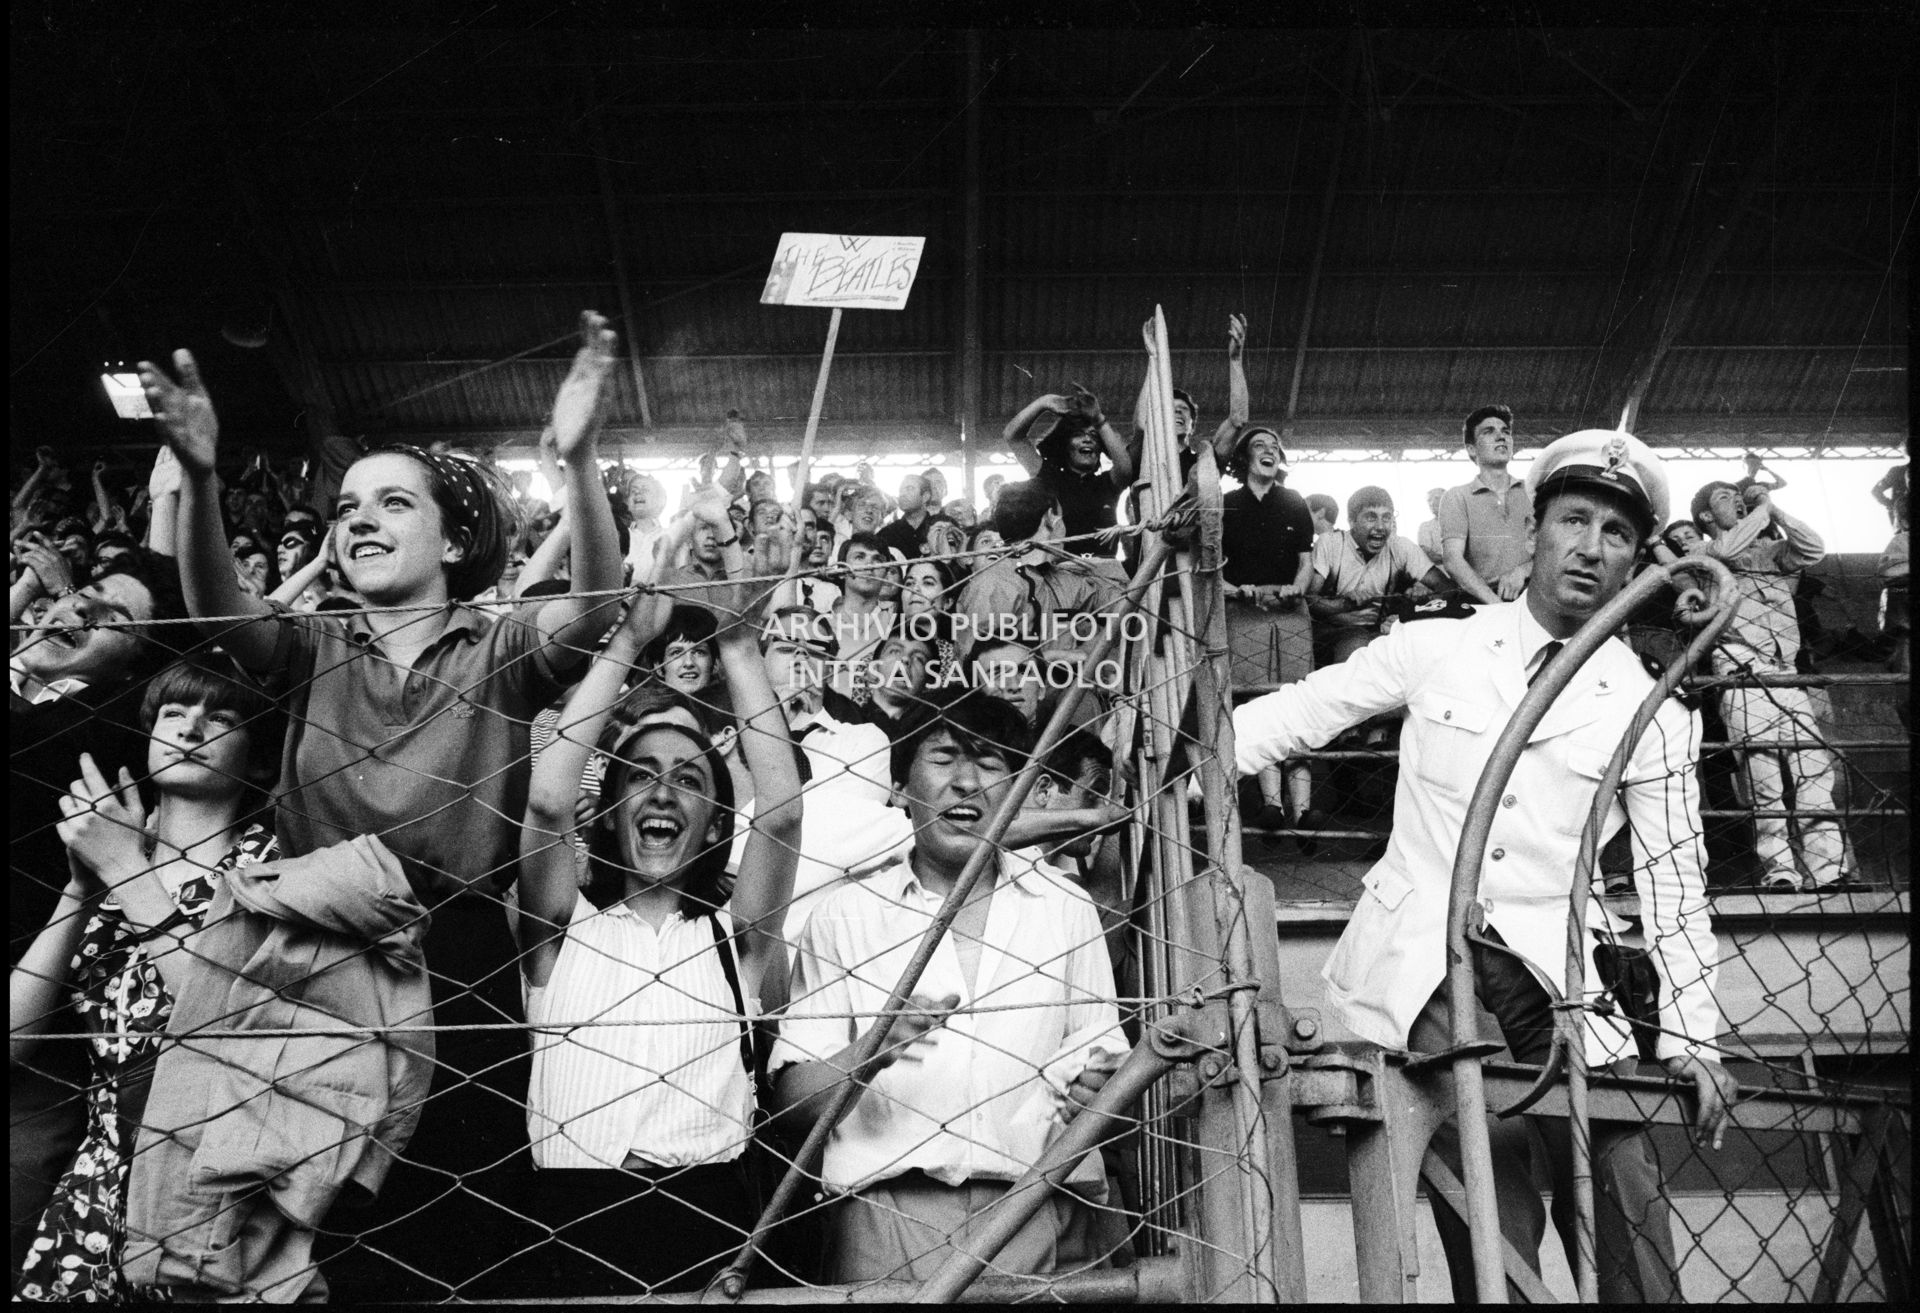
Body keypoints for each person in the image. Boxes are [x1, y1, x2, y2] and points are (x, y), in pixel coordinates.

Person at [135, 311, 625, 1300]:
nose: (357, 518)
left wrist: (579, 464)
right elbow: (216, 603)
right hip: (318, 958)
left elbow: (600, 607)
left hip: (460, 957)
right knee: (316, 1229)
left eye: (393, 502)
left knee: (454, 1222)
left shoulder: (498, 646)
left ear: (455, 537)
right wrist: (197, 478)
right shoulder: (311, 645)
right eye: (346, 506)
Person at [1235, 430, 1736, 1303]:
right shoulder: (1443, 645)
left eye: (1617, 533)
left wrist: (1693, 1031)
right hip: (1428, 968)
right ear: (1534, 529)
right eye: (1574, 519)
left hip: (1565, 978)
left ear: (1635, 561)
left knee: (1625, 1192)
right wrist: (1167, 760)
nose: (1591, 546)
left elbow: (1674, 877)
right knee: (1492, 1221)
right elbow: (1304, 712)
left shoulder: (1652, 707)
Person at [518, 540, 800, 1295]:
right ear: (609, 814)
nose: (664, 793)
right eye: (640, 776)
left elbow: (783, 811)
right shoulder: (562, 930)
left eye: (688, 779)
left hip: (706, 1212)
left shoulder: (731, 941)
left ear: (714, 823)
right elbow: (547, 800)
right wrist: (629, 641)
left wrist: (738, 641)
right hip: (569, 1216)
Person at [770, 692, 1127, 1282]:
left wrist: (1100, 1089)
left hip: (1041, 1208)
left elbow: (1105, 1065)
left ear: (1016, 788)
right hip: (885, 1217)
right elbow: (791, 1104)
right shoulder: (843, 917)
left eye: (990, 763)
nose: (966, 781)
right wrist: (870, 1052)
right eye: (943, 757)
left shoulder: (1065, 907)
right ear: (900, 788)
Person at [12, 657, 281, 1302]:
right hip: (103, 1178)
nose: (190, 730)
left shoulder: (272, 866)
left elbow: (225, 1016)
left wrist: (126, 870)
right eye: (173, 714)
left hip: (219, 1175)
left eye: (221, 717)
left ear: (261, 761)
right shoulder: (104, 869)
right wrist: (81, 887)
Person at [8, 552, 177, 1276]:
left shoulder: (98, 738)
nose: (76, 611)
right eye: (82, 595)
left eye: (113, 618)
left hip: (33, 1043)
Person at [1690, 479, 1856, 891]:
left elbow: (1813, 548)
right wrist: (1761, 509)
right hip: (1742, 672)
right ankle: (1779, 870)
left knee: (1813, 774)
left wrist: (1773, 508)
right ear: (1707, 517)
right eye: (1726, 499)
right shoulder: (1703, 553)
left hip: (1784, 672)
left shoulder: (1768, 552)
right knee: (1763, 777)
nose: (1738, 503)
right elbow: (1728, 549)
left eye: (1738, 496)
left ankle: (1827, 870)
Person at [1219, 427, 1317, 831]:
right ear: (1244, 459)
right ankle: (1272, 804)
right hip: (1243, 614)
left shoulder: (1294, 502)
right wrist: (1234, 589)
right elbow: (1214, 569)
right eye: (1260, 446)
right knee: (1255, 704)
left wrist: (1299, 586)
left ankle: (1305, 809)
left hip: (1290, 611)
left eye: (1275, 447)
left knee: (1297, 702)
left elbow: (1306, 562)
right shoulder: (1225, 505)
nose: (1270, 452)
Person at [1307, 486, 1449, 666]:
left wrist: (1414, 609)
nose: (1381, 527)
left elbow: (1446, 588)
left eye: (1387, 517)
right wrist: (1343, 604)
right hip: (1329, 633)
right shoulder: (1330, 543)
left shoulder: (1401, 547)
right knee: (1357, 645)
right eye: (1371, 517)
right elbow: (1309, 602)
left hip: (1379, 632)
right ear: (1351, 521)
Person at [1003, 386, 1133, 554]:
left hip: (1104, 574)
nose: (1088, 440)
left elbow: (1125, 468)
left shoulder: (1106, 484)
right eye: (1079, 434)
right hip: (1058, 573)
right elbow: (1012, 436)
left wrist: (1099, 420)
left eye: (1094, 436)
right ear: (1064, 444)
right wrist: (1044, 402)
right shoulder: (1048, 477)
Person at [1437, 404, 1532, 605]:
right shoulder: (1457, 497)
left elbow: (1553, 551)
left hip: (1536, 600)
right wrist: (1495, 606)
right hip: (1484, 605)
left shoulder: (1534, 491)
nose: (1501, 436)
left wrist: (1522, 571)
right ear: (1471, 449)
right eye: (1489, 432)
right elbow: (1453, 561)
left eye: (1505, 432)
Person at [876, 474, 933, 560]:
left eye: (909, 489)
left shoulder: (941, 527)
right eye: (901, 490)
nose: (902, 494)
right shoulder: (886, 534)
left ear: (925, 497)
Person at [1415, 487, 1446, 563]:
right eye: (1429, 500)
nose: (1432, 503)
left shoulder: (1462, 522)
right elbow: (1427, 554)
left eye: (1437, 498)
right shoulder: (1425, 527)